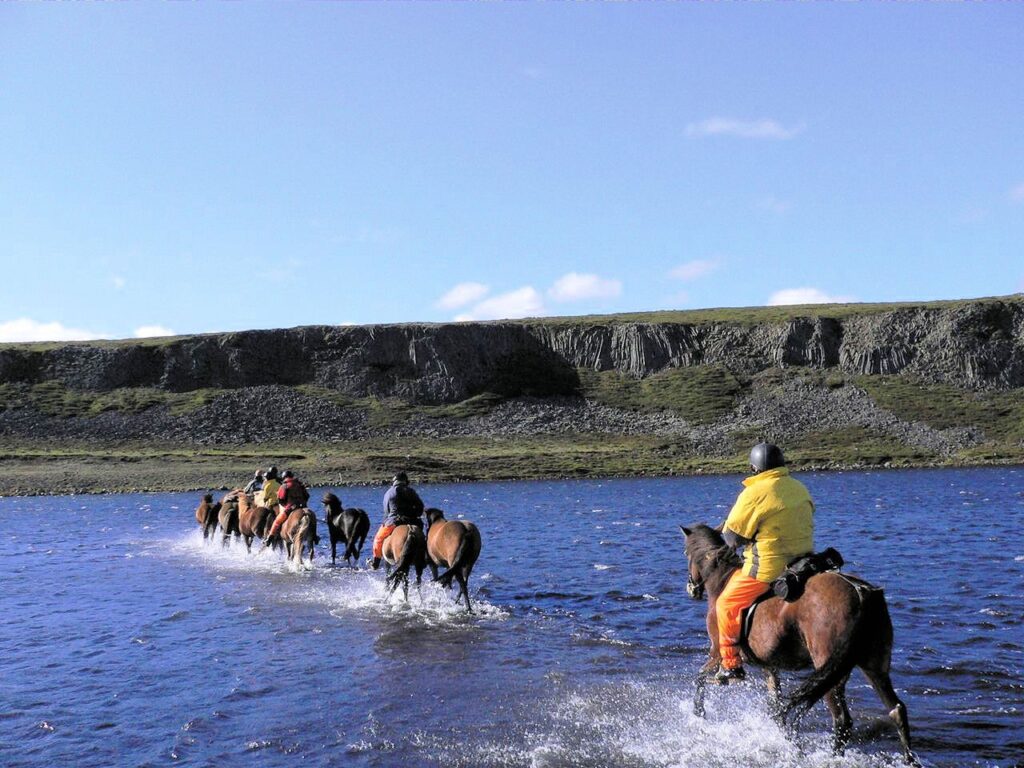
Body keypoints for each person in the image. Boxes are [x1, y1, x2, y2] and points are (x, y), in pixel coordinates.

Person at [715, 442, 814, 683]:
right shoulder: (799, 487)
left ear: (754, 467)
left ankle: (731, 665)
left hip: (769, 568)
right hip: (805, 563)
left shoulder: (753, 493)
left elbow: (732, 538)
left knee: (725, 604)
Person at [370, 472, 425, 569]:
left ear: (394, 481)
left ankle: (376, 562)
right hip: (412, 521)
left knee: (378, 539)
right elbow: (420, 507)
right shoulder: (411, 491)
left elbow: (386, 511)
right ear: (405, 481)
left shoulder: (389, 493)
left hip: (394, 521)